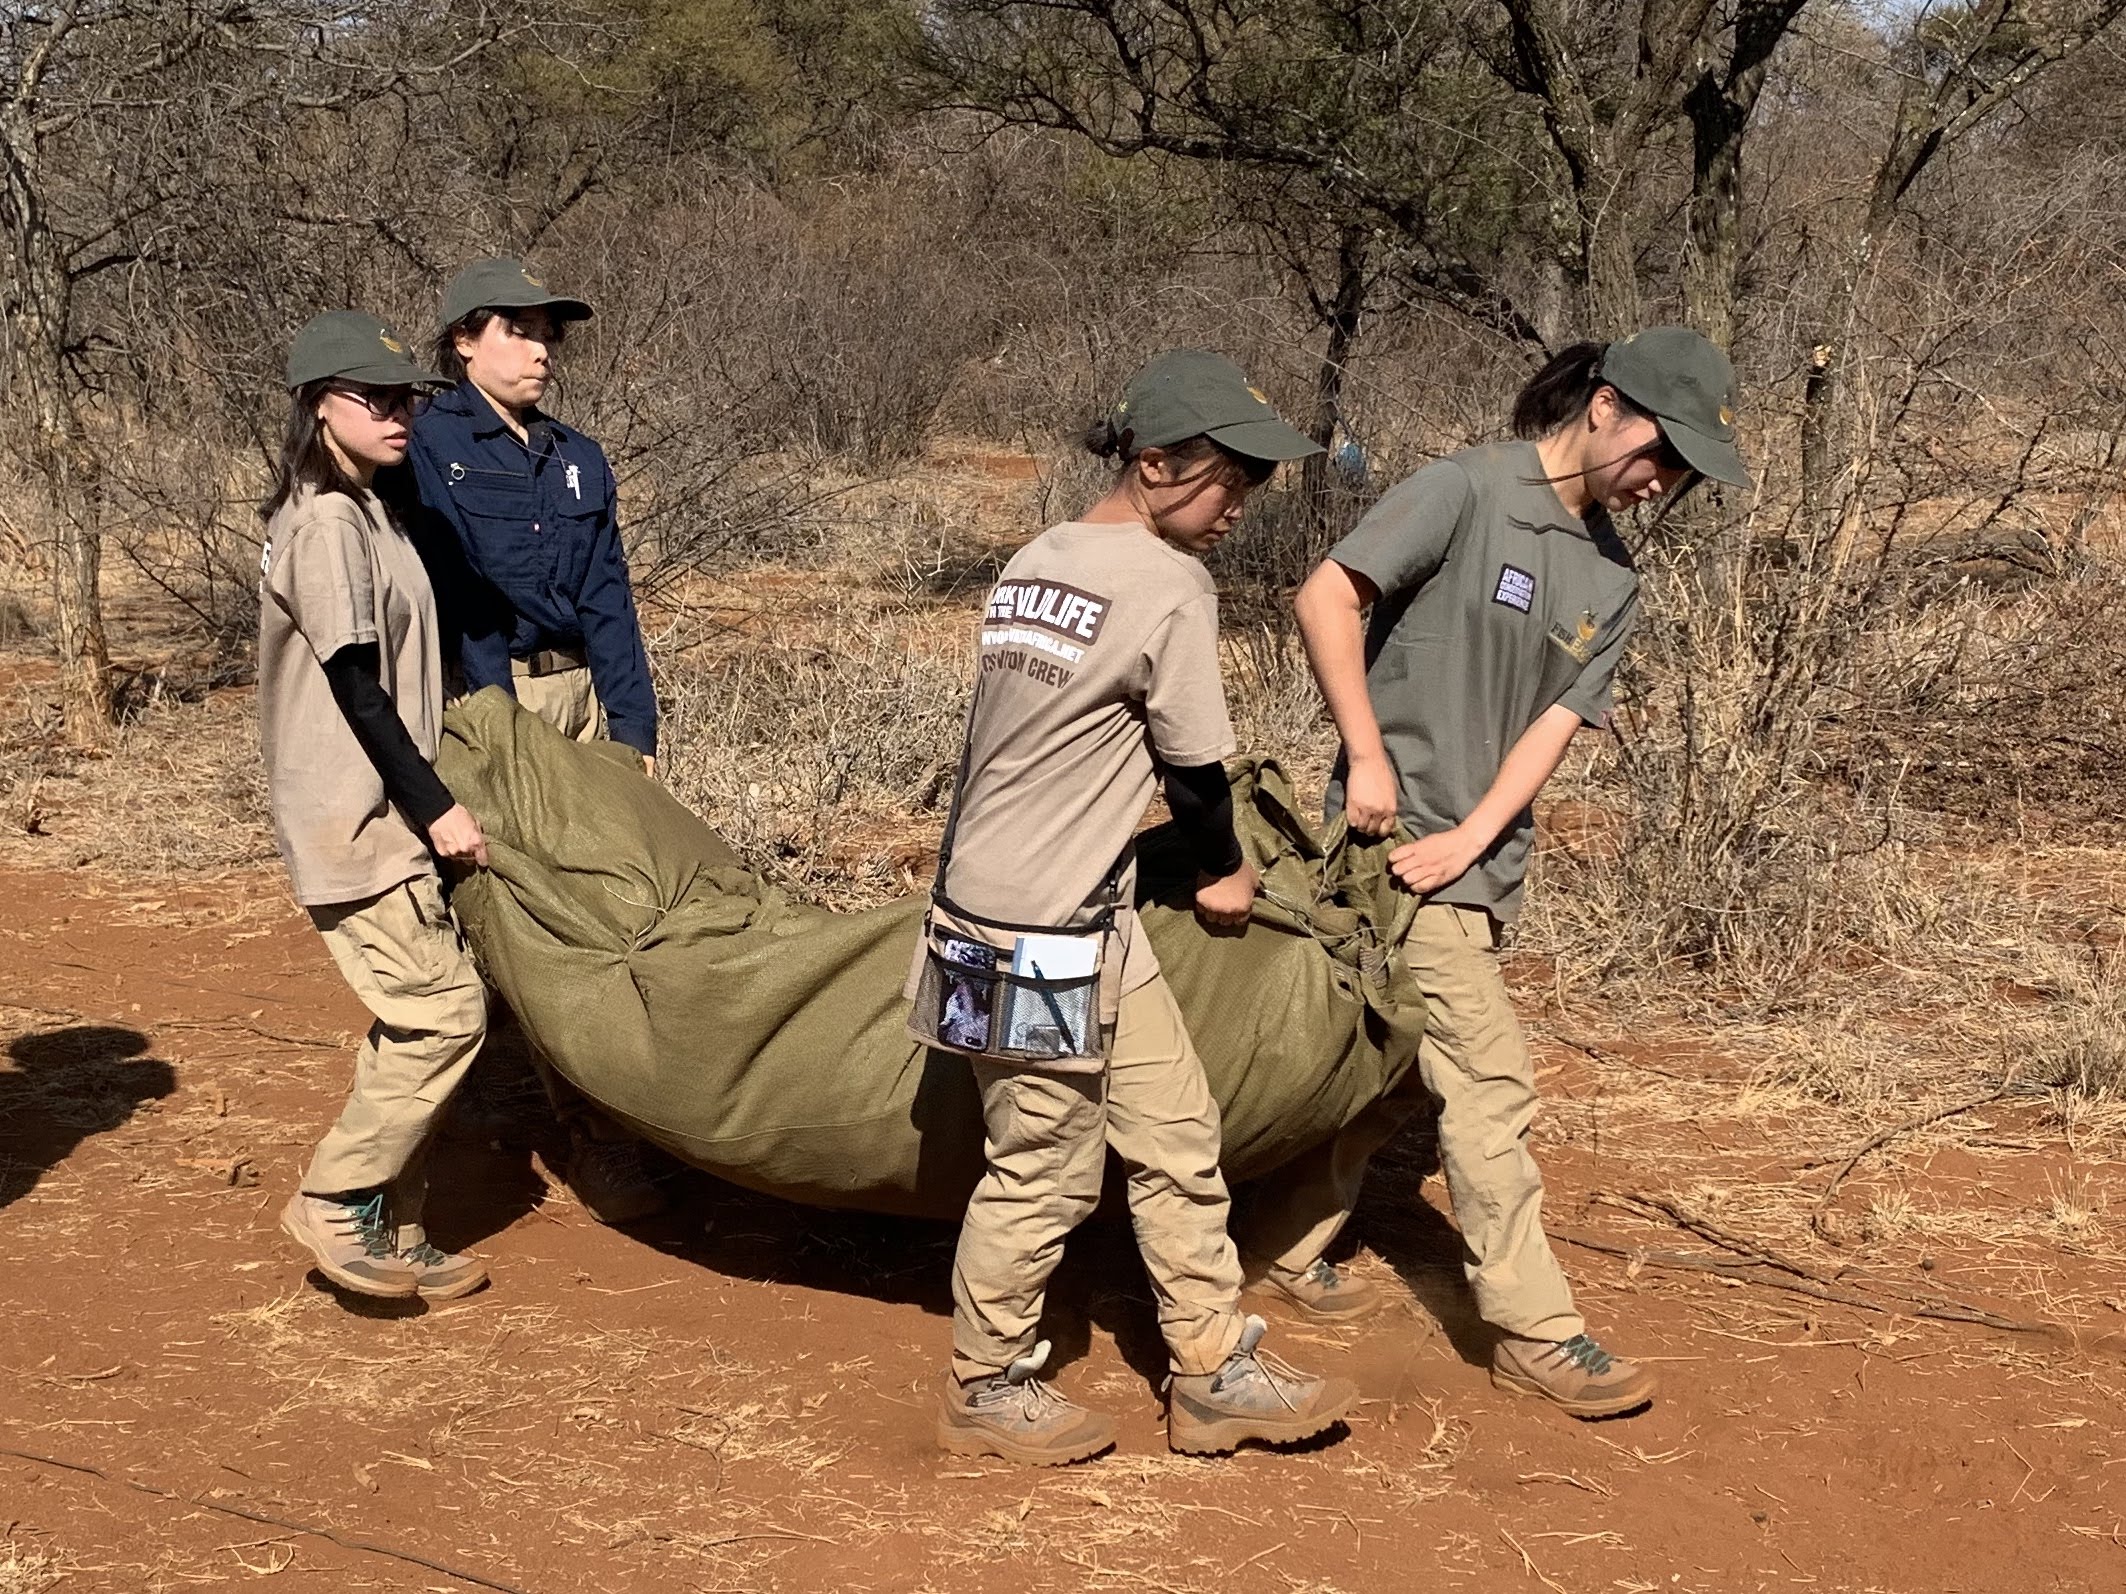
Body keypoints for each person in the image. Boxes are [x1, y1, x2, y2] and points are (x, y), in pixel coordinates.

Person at [1241, 326, 1750, 1418]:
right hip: (1386, 850)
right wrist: (1365, 754)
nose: (1662, 480)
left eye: (1686, 472)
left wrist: (1474, 837)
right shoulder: (1465, 488)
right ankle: (1533, 1330)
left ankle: (1283, 1242)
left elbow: (1555, 723)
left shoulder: (1610, 574)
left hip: (1468, 860)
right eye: (1664, 447)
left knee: (1381, 1068)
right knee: (1489, 1085)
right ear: (1605, 405)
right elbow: (1325, 595)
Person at [923, 351, 1358, 1464]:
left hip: (1044, 908)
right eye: (1228, 485)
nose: (1237, 512)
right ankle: (987, 1378)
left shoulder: (1040, 555)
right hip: (1036, 929)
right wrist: (1223, 871)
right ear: (1158, 465)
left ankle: (1212, 1366)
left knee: (1174, 1134)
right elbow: (1199, 775)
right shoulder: (1168, 584)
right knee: (1044, 1166)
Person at [394, 256, 664, 1225]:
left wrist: (633, 727)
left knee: (604, 898)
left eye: (548, 332)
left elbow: (609, 599)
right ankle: (572, 1128)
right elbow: (452, 596)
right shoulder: (426, 441)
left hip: (581, 695)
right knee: (525, 908)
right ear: (464, 339)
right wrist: (500, 721)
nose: (540, 348)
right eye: (518, 328)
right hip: (490, 705)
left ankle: (604, 1103)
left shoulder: (578, 454)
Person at [260, 310, 492, 1301]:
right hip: (354, 818)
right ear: (322, 406)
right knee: (444, 1011)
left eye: (405, 395)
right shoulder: (323, 522)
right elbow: (357, 689)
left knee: (419, 1012)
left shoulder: (375, 512)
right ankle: (334, 1194)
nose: (399, 411)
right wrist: (435, 805)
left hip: (390, 815)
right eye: (375, 396)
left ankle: (392, 1229)